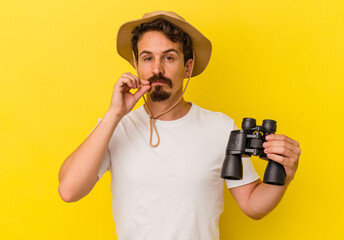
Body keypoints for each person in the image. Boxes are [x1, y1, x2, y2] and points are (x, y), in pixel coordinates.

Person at [58, 11, 301, 240]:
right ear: (136, 66)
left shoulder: (220, 128)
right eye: (148, 58)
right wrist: (114, 114)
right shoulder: (116, 126)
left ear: (187, 67)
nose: (157, 69)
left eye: (169, 57)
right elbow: (69, 190)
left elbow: (252, 203)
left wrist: (285, 175)